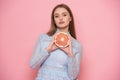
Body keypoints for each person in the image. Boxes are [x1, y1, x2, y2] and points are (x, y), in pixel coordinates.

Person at [30, 3, 82, 80]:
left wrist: (70, 55)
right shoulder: (43, 38)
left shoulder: (76, 45)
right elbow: (32, 65)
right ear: (54, 20)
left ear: (70, 18)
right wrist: (48, 50)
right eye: (57, 16)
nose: (60, 18)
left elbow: (73, 76)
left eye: (64, 15)